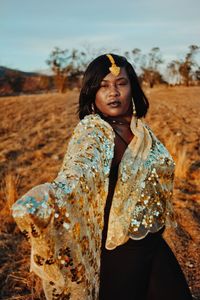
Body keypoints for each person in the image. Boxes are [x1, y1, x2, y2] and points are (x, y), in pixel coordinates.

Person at [12, 54, 193, 300]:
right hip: (120, 252)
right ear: (92, 93)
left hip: (152, 243)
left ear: (133, 87)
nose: (113, 92)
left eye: (121, 83)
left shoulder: (139, 128)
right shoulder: (94, 132)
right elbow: (78, 172)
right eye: (103, 85)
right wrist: (48, 196)